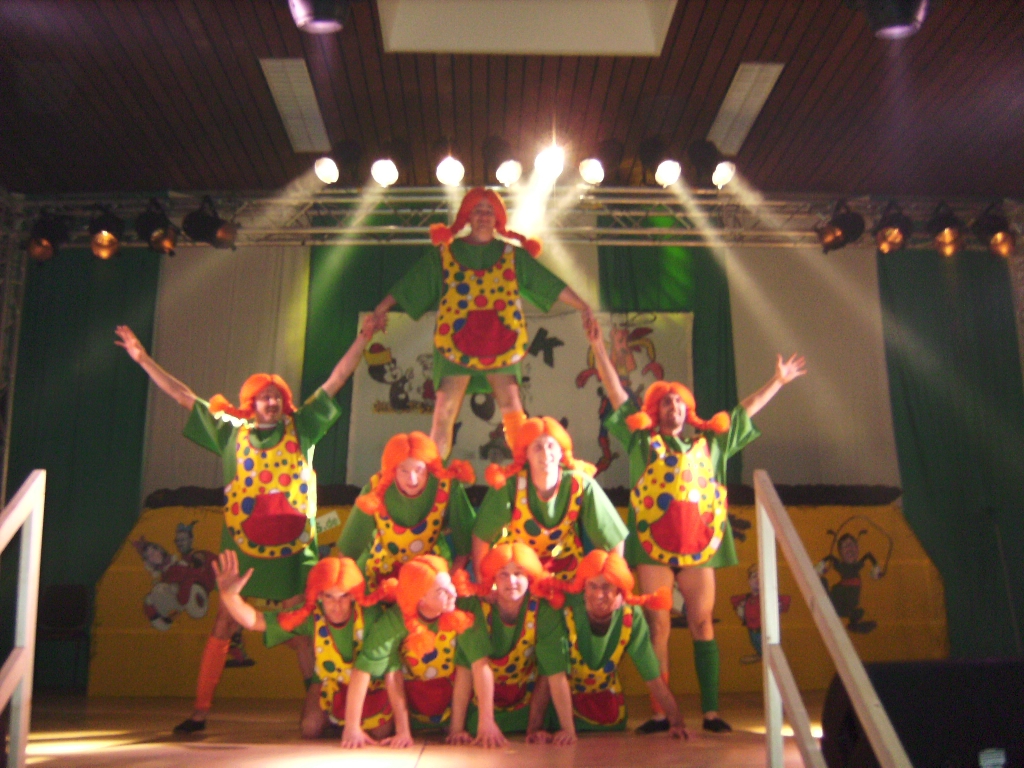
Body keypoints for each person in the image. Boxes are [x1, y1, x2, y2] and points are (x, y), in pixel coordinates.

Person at [114, 314, 383, 734]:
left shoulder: (302, 427)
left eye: (276, 397)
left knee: (303, 631)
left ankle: (321, 708)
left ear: (285, 402)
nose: (270, 403)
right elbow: (184, 397)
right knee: (225, 622)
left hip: (295, 551)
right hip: (243, 548)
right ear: (250, 403)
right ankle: (200, 710)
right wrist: (143, 358)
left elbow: (337, 379)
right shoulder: (230, 433)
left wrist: (363, 337)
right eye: (263, 397)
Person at [586, 316, 806, 733]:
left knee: (703, 624)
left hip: (698, 547)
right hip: (652, 547)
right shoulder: (641, 440)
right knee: (658, 627)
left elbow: (743, 412)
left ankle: (711, 713)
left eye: (679, 403)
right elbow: (617, 394)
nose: (674, 408)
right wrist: (598, 347)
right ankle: (660, 713)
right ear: (655, 410)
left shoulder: (712, 443)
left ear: (688, 411)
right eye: (666, 403)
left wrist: (777, 382)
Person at [369, 187, 593, 459]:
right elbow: (412, 283)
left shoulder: (512, 254)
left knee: (512, 405)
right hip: (456, 339)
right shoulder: (445, 253)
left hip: (501, 338)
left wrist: (583, 305)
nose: (484, 216)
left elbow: (546, 283)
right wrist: (381, 308)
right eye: (477, 210)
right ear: (467, 215)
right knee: (444, 410)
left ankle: (524, 471)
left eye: (489, 210)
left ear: (498, 218)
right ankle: (434, 475)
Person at [210, 550, 395, 739]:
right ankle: (336, 720)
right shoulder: (311, 614)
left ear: (353, 596)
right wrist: (230, 597)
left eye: (343, 597)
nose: (336, 605)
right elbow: (256, 621)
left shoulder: (370, 615)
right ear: (320, 596)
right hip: (328, 684)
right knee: (310, 727)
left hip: (370, 685)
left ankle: (349, 722)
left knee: (381, 732)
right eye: (329, 597)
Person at [534, 550, 687, 740]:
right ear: (583, 586)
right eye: (592, 586)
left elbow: (651, 675)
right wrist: (545, 729)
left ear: (619, 589)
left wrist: (677, 722)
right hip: (558, 715)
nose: (599, 594)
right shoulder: (559, 607)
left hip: (608, 716)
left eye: (606, 587)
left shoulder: (631, 615)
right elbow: (552, 673)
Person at [340, 554, 476, 748]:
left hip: (455, 705)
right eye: (441, 591)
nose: (452, 593)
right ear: (421, 600)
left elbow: (468, 667)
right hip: (412, 707)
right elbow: (367, 669)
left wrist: (456, 729)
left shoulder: (463, 610)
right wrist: (352, 728)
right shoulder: (394, 622)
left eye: (450, 584)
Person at [473, 416, 628, 581]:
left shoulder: (581, 484)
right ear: (526, 453)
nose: (545, 453)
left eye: (551, 446)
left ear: (561, 451)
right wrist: (484, 584)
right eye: (537, 447)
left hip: (566, 569)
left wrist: (613, 582)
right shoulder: (509, 485)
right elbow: (482, 536)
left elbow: (612, 539)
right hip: (516, 576)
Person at [337, 431, 476, 587]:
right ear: (392, 470)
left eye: (419, 470)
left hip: (430, 573)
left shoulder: (447, 485)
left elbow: (466, 545)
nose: (412, 479)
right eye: (404, 471)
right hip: (380, 572)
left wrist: (447, 584)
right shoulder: (375, 490)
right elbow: (348, 550)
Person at [447, 543, 553, 746]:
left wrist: (535, 728)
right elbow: (468, 668)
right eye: (503, 574)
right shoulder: (474, 606)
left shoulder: (543, 608)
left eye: (518, 573)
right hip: (478, 715)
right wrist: (458, 729)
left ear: (530, 577)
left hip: (526, 711)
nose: (511, 581)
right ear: (492, 578)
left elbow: (550, 670)